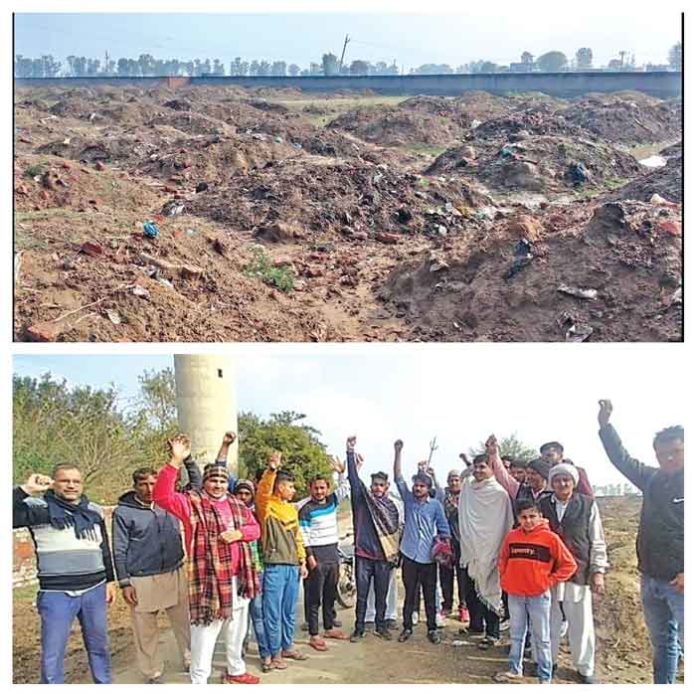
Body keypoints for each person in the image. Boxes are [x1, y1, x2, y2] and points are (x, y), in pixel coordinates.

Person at [153, 433, 261, 684]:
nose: (218, 486)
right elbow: (161, 497)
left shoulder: (238, 505)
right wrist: (175, 461)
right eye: (213, 481)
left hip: (238, 579)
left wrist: (239, 533)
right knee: (205, 632)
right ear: (205, 483)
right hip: (208, 582)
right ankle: (199, 681)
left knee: (237, 629)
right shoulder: (191, 503)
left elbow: (255, 529)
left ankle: (235, 670)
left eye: (222, 482)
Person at [597, 400, 684, 684]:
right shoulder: (653, 479)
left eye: (675, 452)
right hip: (650, 578)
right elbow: (622, 459)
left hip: (682, 582)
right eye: (662, 454)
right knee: (663, 645)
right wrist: (605, 426)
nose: (668, 459)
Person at [13, 466, 116, 684]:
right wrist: (26, 489)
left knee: (99, 646)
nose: (71, 485)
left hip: (94, 589)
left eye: (76, 481)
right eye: (64, 481)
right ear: (53, 483)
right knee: (53, 652)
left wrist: (110, 581)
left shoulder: (93, 510)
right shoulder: (38, 508)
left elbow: (104, 548)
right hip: (56, 593)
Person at [112, 467, 191, 683]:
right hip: (142, 577)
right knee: (145, 631)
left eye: (154, 484)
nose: (149, 489)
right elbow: (118, 548)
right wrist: (124, 582)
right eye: (143, 484)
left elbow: (196, 483)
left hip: (174, 571)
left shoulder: (169, 504)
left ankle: (190, 659)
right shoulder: (123, 512)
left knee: (185, 623)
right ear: (135, 486)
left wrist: (185, 459)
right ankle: (152, 672)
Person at [538, 461, 608, 683]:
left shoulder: (587, 505)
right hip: (548, 571)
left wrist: (598, 571)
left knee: (581, 621)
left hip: (578, 570)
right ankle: (548, 662)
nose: (561, 484)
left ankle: (585, 668)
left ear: (573, 482)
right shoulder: (542, 504)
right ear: (552, 483)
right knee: (548, 619)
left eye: (566, 480)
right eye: (557, 480)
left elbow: (597, 540)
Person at [494, 499, 578, 684]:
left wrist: (549, 581)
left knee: (542, 637)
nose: (528, 521)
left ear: (540, 517)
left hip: (538, 595)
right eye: (524, 517)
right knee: (516, 634)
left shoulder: (550, 538)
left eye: (532, 516)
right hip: (515, 594)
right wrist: (505, 577)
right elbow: (503, 559)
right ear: (518, 518)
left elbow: (569, 564)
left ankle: (545, 676)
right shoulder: (512, 537)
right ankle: (515, 669)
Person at [393, 439, 451, 644]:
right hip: (409, 555)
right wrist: (398, 451)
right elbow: (397, 477)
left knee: (429, 595)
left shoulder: (435, 505)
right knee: (410, 594)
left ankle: (432, 629)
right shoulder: (408, 500)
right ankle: (407, 627)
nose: (417, 488)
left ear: (428, 488)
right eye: (415, 485)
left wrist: (442, 547)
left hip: (428, 557)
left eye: (421, 486)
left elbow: (444, 529)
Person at [255, 451, 308, 669]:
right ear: (280, 487)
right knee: (272, 612)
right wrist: (272, 469)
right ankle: (274, 652)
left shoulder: (290, 509)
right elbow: (262, 492)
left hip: (292, 567)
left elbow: (297, 537)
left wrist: (302, 560)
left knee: (289, 610)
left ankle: (287, 645)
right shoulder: (267, 506)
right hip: (274, 566)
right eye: (291, 487)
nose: (294, 491)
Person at [345, 435, 401, 642]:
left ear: (386, 487)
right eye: (374, 484)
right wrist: (350, 452)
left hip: (383, 558)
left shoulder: (391, 507)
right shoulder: (362, 500)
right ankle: (359, 628)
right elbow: (352, 479)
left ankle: (381, 625)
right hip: (363, 555)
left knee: (381, 594)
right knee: (361, 595)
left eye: (381, 485)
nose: (377, 488)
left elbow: (395, 534)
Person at [458, 450, 514, 649]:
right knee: (471, 590)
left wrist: (498, 551)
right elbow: (463, 518)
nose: (479, 470)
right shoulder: (468, 490)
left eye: (483, 467)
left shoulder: (500, 494)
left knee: (491, 588)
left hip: (492, 549)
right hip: (471, 548)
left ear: (492, 469)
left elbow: (505, 524)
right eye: (476, 466)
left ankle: (492, 633)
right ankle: (475, 625)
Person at [298, 458, 351, 651]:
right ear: (310, 489)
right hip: (316, 556)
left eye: (322, 488)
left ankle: (329, 628)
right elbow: (303, 536)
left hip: (332, 555)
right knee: (314, 598)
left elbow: (346, 488)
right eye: (316, 488)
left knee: (330, 594)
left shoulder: (332, 502)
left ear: (327, 488)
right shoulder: (306, 509)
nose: (319, 491)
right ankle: (314, 634)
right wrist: (309, 558)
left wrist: (341, 472)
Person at [231, 478, 272, 673]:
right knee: (237, 618)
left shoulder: (256, 515)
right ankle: (237, 656)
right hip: (234, 573)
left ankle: (266, 654)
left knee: (257, 614)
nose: (243, 497)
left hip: (255, 571)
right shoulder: (227, 515)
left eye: (247, 494)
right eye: (240, 493)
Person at [436, 469, 469, 623]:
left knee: (463, 577)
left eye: (457, 480)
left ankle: (463, 607)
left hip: (463, 541)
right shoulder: (443, 496)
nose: (454, 483)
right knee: (445, 575)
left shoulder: (468, 496)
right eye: (451, 480)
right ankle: (447, 605)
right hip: (446, 542)